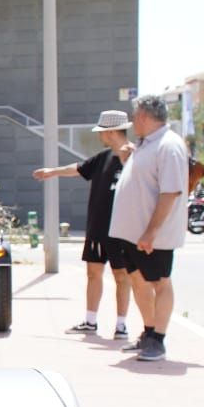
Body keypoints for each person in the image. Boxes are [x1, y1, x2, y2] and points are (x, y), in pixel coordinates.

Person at [32, 110, 134, 338]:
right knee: (93, 272)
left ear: (111, 132)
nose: (100, 136)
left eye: (103, 132)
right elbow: (79, 168)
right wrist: (52, 172)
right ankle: (90, 320)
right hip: (98, 227)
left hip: (123, 229)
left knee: (122, 276)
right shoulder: (104, 157)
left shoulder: (137, 157)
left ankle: (121, 324)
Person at [108, 94, 190, 362]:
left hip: (153, 236)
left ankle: (159, 339)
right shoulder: (146, 145)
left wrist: (151, 231)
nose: (133, 122)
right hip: (133, 234)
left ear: (143, 116)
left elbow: (171, 192)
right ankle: (149, 332)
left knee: (160, 282)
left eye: (134, 117)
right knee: (138, 281)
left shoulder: (169, 146)